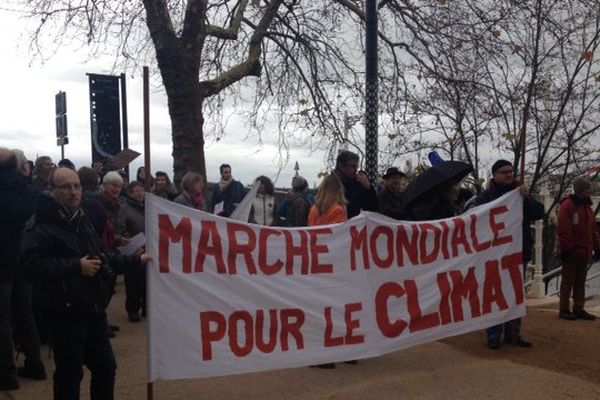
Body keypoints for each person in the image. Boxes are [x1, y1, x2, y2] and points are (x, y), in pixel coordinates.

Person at [20, 167, 150, 400]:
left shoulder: (82, 219)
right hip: (65, 311)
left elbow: (101, 255)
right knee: (70, 374)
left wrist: (135, 260)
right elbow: (31, 266)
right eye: (66, 187)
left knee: (106, 367)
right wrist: (75, 267)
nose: (73, 192)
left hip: (93, 310)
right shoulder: (40, 224)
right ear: (52, 191)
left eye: (77, 186)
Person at [472, 159, 544, 350]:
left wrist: (526, 197)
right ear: (494, 175)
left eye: (511, 171)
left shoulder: (520, 194)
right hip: (493, 255)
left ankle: (514, 333)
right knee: (494, 294)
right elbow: (473, 219)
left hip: (517, 253)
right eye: (504, 172)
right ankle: (494, 334)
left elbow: (539, 212)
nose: (509, 174)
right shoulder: (485, 198)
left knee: (515, 295)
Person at [0, 148, 46, 390]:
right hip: (25, 262)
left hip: (3, 265)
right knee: (25, 314)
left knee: (3, 320)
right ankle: (35, 364)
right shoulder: (31, 193)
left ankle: (6, 374)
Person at [557, 177, 600, 321]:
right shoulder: (568, 205)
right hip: (572, 250)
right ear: (582, 190)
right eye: (588, 190)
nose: (591, 192)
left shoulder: (587, 208)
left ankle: (579, 307)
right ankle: (564, 309)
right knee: (568, 281)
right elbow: (564, 228)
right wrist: (567, 248)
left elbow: (593, 230)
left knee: (580, 281)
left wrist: (597, 247)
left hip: (584, 250)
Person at [118, 182, 146, 322]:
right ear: (130, 193)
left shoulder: (148, 206)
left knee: (147, 280)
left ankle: (147, 307)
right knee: (134, 281)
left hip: (148, 248)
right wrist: (131, 244)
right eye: (137, 191)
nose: (140, 193)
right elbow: (122, 228)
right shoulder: (125, 208)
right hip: (134, 248)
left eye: (142, 190)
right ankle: (133, 309)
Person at [333, 151, 377, 218]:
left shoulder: (356, 184)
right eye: (353, 166)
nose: (356, 169)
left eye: (357, 166)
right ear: (342, 166)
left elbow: (372, 209)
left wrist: (368, 188)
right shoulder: (332, 184)